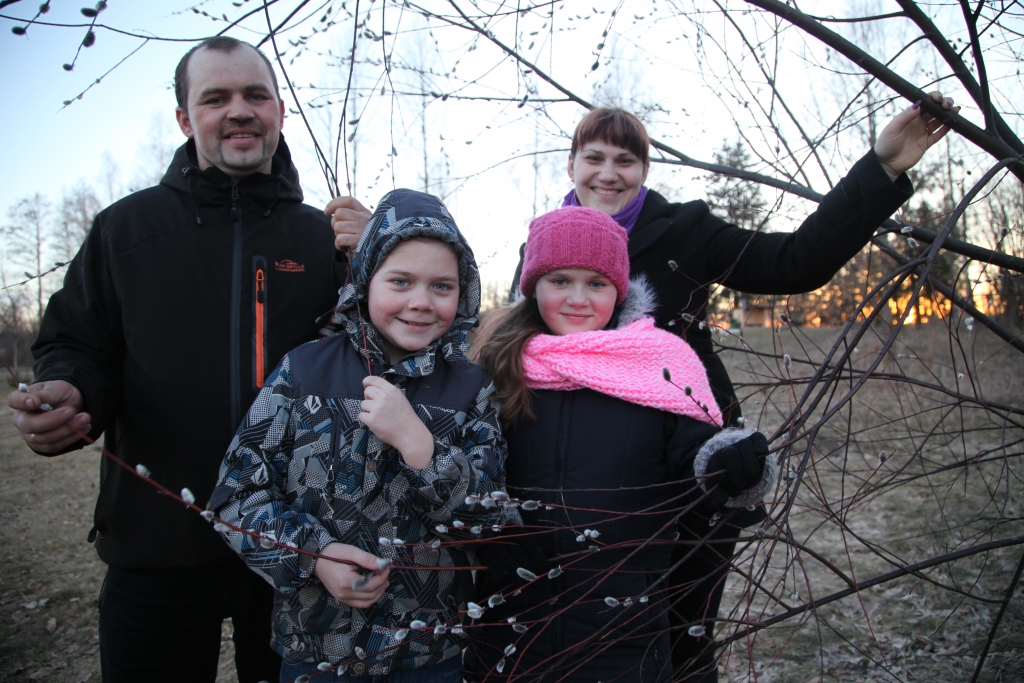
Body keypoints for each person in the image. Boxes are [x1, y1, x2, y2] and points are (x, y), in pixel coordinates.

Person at [326, 93, 958, 681]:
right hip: (545, 480)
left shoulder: (686, 231)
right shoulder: (539, 247)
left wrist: (879, 170)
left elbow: (796, 262)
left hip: (677, 465)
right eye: (593, 157)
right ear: (572, 164)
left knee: (677, 632)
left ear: (644, 169)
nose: (608, 172)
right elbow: (437, 316)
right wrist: (371, 250)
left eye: (625, 160)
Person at [6, 37, 347, 683]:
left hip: (295, 547)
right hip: (154, 541)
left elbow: (375, 352)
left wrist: (375, 253)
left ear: (279, 109)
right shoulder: (125, 229)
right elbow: (77, 343)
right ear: (187, 120)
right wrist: (71, 393)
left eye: (255, 95)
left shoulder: (321, 235)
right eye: (216, 98)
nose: (239, 110)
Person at [211, 188, 518, 682]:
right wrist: (314, 558)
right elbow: (233, 498)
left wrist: (421, 447)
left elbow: (484, 523)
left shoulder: (470, 388)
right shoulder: (303, 372)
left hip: (427, 655)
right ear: (364, 283)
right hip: (317, 651)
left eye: (442, 287)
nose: (421, 302)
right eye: (401, 281)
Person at [462, 206, 774, 682]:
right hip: (511, 622)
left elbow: (698, 460)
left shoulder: (660, 363)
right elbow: (460, 469)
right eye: (560, 280)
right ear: (532, 286)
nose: (577, 298)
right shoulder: (497, 366)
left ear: (619, 289)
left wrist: (730, 464)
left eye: (596, 283)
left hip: (624, 622)